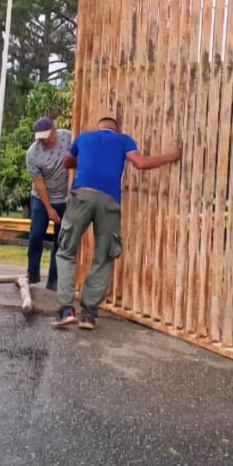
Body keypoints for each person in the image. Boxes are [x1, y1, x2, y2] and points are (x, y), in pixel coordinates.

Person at [53, 115, 181, 331]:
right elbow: (140, 163)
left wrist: (84, 160)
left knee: (66, 250)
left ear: (99, 127)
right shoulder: (124, 140)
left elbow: (66, 162)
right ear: (116, 129)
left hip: (81, 196)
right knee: (103, 257)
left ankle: (66, 310)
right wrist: (171, 156)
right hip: (109, 202)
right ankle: (88, 316)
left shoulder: (84, 137)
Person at [25, 116, 71, 291]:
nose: (44, 140)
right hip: (41, 198)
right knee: (36, 235)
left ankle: (53, 280)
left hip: (64, 198)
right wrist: (49, 208)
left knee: (60, 240)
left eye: (47, 136)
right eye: (40, 137)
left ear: (54, 130)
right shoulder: (33, 153)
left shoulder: (67, 137)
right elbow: (39, 183)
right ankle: (33, 273)